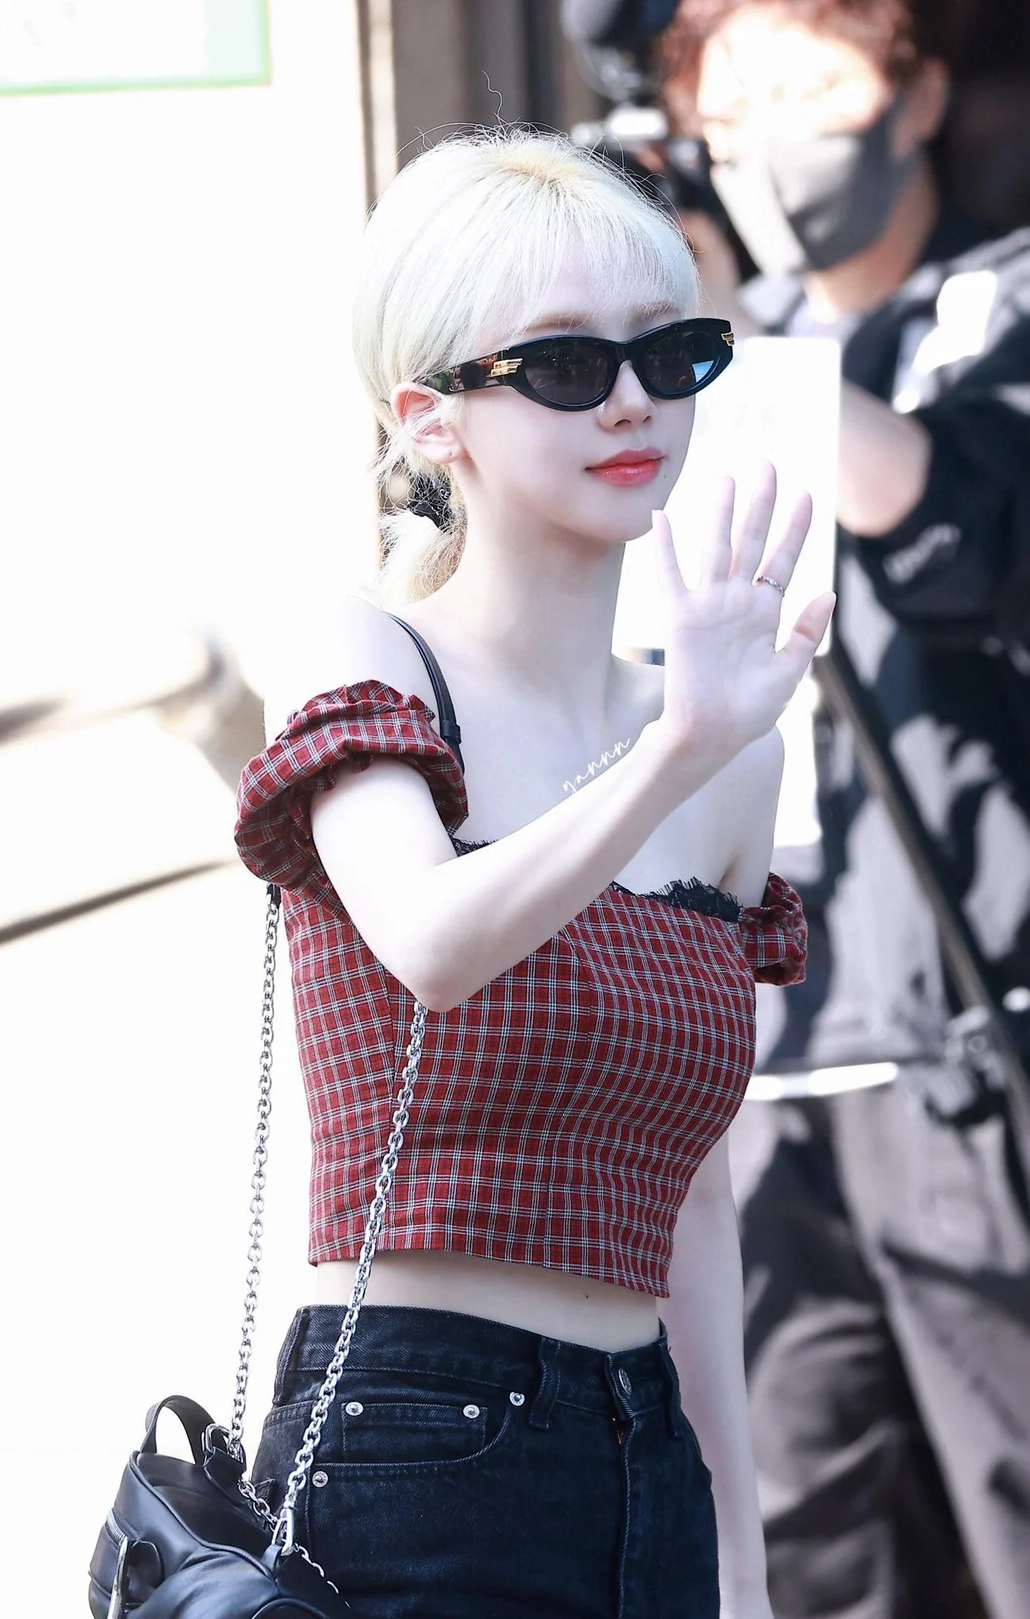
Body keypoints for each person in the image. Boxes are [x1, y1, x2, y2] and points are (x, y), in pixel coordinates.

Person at [233, 129, 833, 1619]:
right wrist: (679, 750)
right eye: (565, 364)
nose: (633, 401)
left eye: (673, 355)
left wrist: (743, 1553)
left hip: (647, 1441)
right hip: (416, 1434)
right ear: (430, 419)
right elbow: (433, 942)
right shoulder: (370, 653)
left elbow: (695, 1198)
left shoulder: (723, 751)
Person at [652, 3, 1030, 1616]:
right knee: (809, 1539)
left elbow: (964, 525)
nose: (771, 149)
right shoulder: (690, 364)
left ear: (918, 94)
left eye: (811, 92)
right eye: (731, 117)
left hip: (967, 1043)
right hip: (767, 1056)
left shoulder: (998, 302)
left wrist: (727, 338)